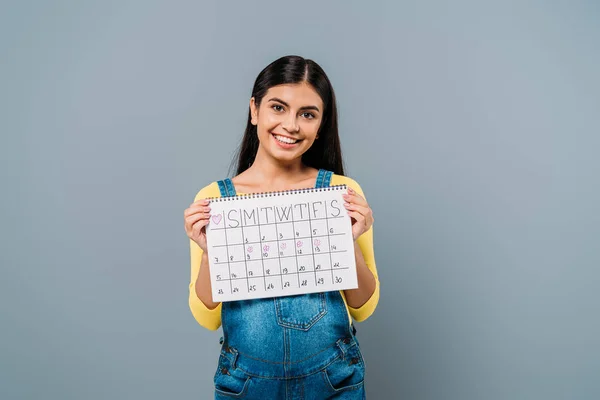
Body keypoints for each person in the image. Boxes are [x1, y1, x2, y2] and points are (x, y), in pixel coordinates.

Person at [183, 55, 380, 399]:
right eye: (278, 107)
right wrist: (212, 252)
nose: (291, 125)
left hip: (334, 380)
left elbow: (363, 306)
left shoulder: (342, 193)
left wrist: (346, 241)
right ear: (254, 110)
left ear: (320, 126)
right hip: (246, 383)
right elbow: (207, 317)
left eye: (307, 114)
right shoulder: (215, 199)